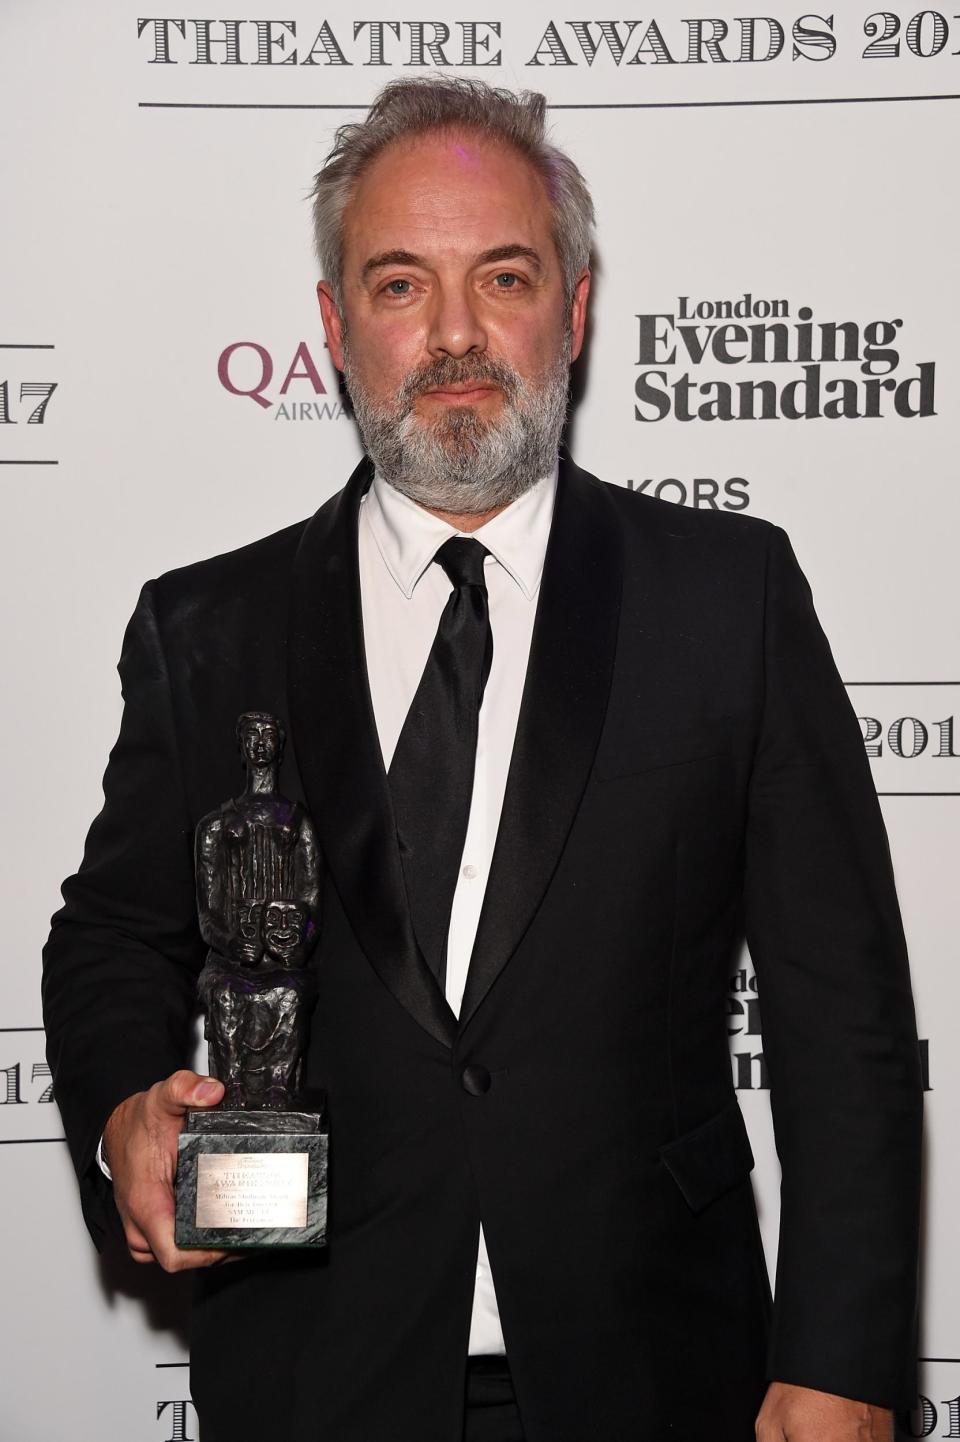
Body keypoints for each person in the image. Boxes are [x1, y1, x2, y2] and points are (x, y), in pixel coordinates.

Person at [42, 76, 922, 1442]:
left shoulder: (727, 598)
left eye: (501, 275)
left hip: (661, 1371)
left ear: (572, 306)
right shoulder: (208, 627)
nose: (454, 334)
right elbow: (112, 935)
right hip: (313, 1374)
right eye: (400, 285)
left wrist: (848, 1358)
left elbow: (844, 1016)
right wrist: (122, 1119)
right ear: (336, 328)